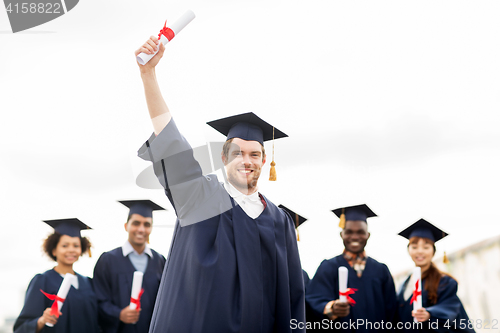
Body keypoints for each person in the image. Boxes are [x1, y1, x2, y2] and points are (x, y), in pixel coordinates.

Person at [134, 36, 305, 332]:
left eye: (254, 154)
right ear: (224, 158)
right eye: (237, 153)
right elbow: (172, 142)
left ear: (265, 160)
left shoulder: (280, 221)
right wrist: (148, 74)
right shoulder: (199, 197)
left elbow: (292, 298)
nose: (246, 161)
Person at [305, 204, 397, 332]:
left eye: (360, 232)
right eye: (349, 232)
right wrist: (331, 308)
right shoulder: (328, 267)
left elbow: (392, 311)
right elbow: (314, 300)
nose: (354, 237)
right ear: (341, 234)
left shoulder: (381, 270)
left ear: (368, 235)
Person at [93, 200, 166, 333]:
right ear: (126, 226)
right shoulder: (108, 260)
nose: (141, 229)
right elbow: (99, 300)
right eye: (136, 223)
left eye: (147, 224)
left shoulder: (160, 261)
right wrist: (118, 314)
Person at [14, 218, 99, 333]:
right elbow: (21, 328)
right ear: (54, 250)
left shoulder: (88, 282)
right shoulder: (42, 281)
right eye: (65, 246)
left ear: (82, 249)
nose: (71, 250)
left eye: (76, 245)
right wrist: (43, 320)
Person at [397, 219, 475, 332]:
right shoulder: (404, 283)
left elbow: (451, 308)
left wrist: (430, 314)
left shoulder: (444, 282)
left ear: (433, 251)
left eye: (426, 247)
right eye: (414, 247)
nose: (420, 251)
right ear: (408, 250)